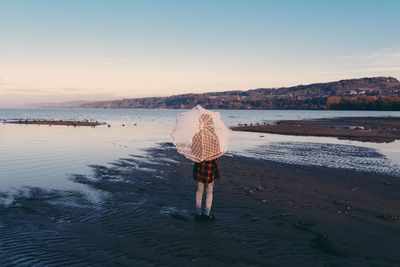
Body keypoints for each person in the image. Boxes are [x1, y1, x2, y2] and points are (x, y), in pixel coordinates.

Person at [191, 113, 221, 221]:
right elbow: (217, 152)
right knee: (209, 190)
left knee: (200, 190)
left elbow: (193, 151)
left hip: (200, 165)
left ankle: (198, 213)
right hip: (210, 166)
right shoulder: (214, 136)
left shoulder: (197, 135)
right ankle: (207, 213)